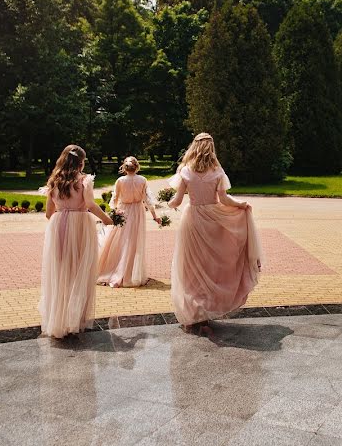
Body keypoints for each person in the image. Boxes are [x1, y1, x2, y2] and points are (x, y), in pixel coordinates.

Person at [167, 133, 262, 334]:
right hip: (212, 220)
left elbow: (176, 201)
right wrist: (241, 204)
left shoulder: (185, 171)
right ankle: (205, 312)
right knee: (211, 265)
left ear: (194, 147)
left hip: (192, 219)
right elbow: (224, 200)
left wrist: (168, 203)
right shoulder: (217, 171)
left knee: (191, 267)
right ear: (211, 149)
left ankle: (194, 314)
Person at [39, 144, 113, 338]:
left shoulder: (54, 180)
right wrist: (107, 219)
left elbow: (48, 213)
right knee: (80, 272)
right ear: (81, 162)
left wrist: (63, 214)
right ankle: (75, 320)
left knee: (61, 273)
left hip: (58, 226)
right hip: (80, 226)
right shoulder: (84, 180)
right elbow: (89, 204)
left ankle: (59, 320)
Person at [97, 156, 161, 287]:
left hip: (123, 212)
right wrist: (155, 216)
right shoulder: (142, 180)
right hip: (137, 212)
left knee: (121, 241)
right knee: (134, 241)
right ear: (137, 167)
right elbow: (147, 200)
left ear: (124, 168)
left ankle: (117, 270)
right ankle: (131, 272)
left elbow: (114, 199)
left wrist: (114, 213)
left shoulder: (120, 180)